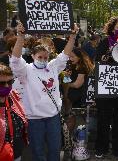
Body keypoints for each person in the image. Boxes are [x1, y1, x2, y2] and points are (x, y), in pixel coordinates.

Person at [10, 23, 78, 161]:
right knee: (38, 151)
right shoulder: (26, 70)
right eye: (40, 57)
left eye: (45, 57)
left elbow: (65, 55)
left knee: (55, 149)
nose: (43, 60)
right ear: (33, 56)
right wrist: (20, 36)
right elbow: (16, 59)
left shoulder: (53, 67)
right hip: (34, 119)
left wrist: (72, 37)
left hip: (53, 117)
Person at [94, 16, 118, 160]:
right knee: (103, 118)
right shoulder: (105, 42)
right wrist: (109, 53)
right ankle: (101, 147)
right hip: (106, 86)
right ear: (112, 28)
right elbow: (98, 61)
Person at [0, 64, 28, 161]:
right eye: (2, 83)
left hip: (16, 152)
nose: (7, 86)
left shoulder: (13, 95)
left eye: (10, 82)